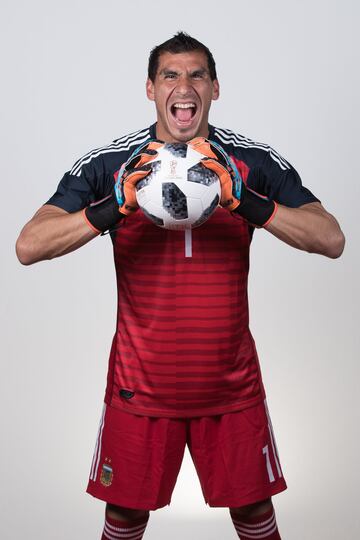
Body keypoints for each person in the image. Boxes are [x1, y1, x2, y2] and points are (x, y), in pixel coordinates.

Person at [16, 32, 345, 540]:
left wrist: (248, 203)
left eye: (196, 75)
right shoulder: (112, 165)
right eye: (170, 75)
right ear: (151, 88)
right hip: (140, 388)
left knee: (256, 516)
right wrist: (113, 209)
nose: (184, 85)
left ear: (214, 88)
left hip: (231, 386)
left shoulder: (250, 161)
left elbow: (331, 238)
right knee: (123, 518)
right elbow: (29, 245)